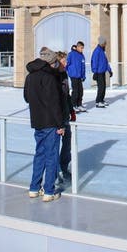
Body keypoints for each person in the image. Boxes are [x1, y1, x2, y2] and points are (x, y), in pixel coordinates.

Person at [23, 46, 64, 202]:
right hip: (51, 123)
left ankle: (34, 187)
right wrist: (60, 124)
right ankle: (49, 190)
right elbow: (55, 103)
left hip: (37, 120)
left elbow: (27, 97)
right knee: (52, 155)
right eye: (54, 63)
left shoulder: (30, 77)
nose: (55, 65)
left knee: (39, 153)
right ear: (50, 63)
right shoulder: (49, 78)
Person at [56, 51, 76, 183]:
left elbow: (67, 95)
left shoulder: (64, 75)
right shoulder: (54, 76)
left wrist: (71, 110)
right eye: (64, 61)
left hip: (65, 114)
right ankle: (55, 171)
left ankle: (64, 167)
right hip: (56, 116)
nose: (67, 63)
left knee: (67, 143)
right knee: (54, 145)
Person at [91, 36, 112, 108]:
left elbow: (106, 62)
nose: (106, 44)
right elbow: (94, 62)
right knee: (101, 87)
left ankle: (101, 100)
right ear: (102, 43)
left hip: (103, 72)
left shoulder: (103, 51)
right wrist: (95, 72)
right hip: (98, 72)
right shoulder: (97, 51)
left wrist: (109, 70)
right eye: (105, 43)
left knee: (103, 87)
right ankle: (98, 101)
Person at [66, 41, 87, 112]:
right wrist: (64, 72)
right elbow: (67, 63)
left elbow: (83, 67)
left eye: (83, 48)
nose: (82, 49)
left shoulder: (82, 56)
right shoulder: (71, 54)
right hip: (73, 75)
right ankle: (73, 105)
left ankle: (79, 104)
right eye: (81, 48)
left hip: (79, 76)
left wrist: (83, 76)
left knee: (80, 91)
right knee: (75, 91)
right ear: (77, 47)